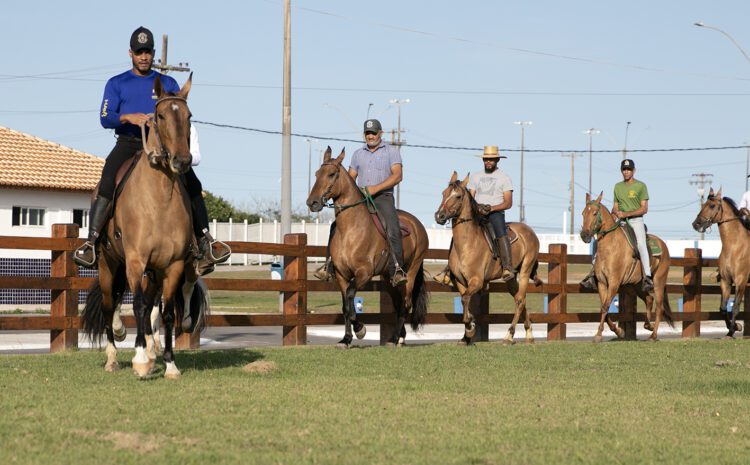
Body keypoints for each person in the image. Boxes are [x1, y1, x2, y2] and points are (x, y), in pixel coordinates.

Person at [73, 26, 229, 274]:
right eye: (138, 52)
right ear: (130, 53)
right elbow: (105, 118)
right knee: (106, 179)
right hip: (129, 143)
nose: (143, 56)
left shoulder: (168, 82)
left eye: (147, 52)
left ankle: (205, 241)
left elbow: (177, 116)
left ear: (153, 53)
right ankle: (91, 242)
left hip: (161, 148)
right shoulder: (116, 83)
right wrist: (129, 118)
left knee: (193, 183)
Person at [313, 118, 407, 286]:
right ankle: (329, 266)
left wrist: (375, 188)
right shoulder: (358, 154)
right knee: (336, 226)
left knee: (392, 227)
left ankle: (397, 269)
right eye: (367, 133)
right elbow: (349, 179)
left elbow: (397, 176)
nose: (370, 136)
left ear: (380, 133)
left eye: (373, 133)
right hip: (362, 198)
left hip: (383, 198)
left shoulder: (391, 151)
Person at [580, 159, 653, 293]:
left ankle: (647, 277)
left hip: (636, 221)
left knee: (642, 244)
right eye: (624, 169)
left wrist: (626, 213)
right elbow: (615, 207)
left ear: (634, 171)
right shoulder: (617, 187)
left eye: (629, 169)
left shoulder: (641, 186)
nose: (626, 172)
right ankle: (593, 274)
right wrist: (612, 217)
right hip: (621, 221)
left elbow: (644, 209)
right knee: (598, 241)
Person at [467, 145, 515, 282]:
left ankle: (507, 266)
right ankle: (449, 268)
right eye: (486, 159)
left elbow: (508, 203)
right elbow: (470, 198)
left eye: (491, 159)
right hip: (478, 212)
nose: (488, 162)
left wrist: (492, 208)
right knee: (462, 230)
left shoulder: (504, 178)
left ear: (497, 160)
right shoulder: (476, 176)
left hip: (495, 212)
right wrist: (476, 208)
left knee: (500, 231)